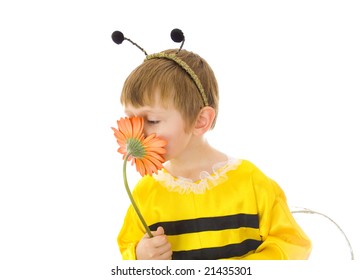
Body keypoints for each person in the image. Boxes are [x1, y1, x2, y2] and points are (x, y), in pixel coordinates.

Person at [114, 31, 312, 260]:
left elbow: (293, 245)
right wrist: (139, 255)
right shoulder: (145, 193)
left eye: (152, 121)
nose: (137, 132)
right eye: (131, 118)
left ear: (200, 121)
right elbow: (126, 250)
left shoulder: (250, 182)